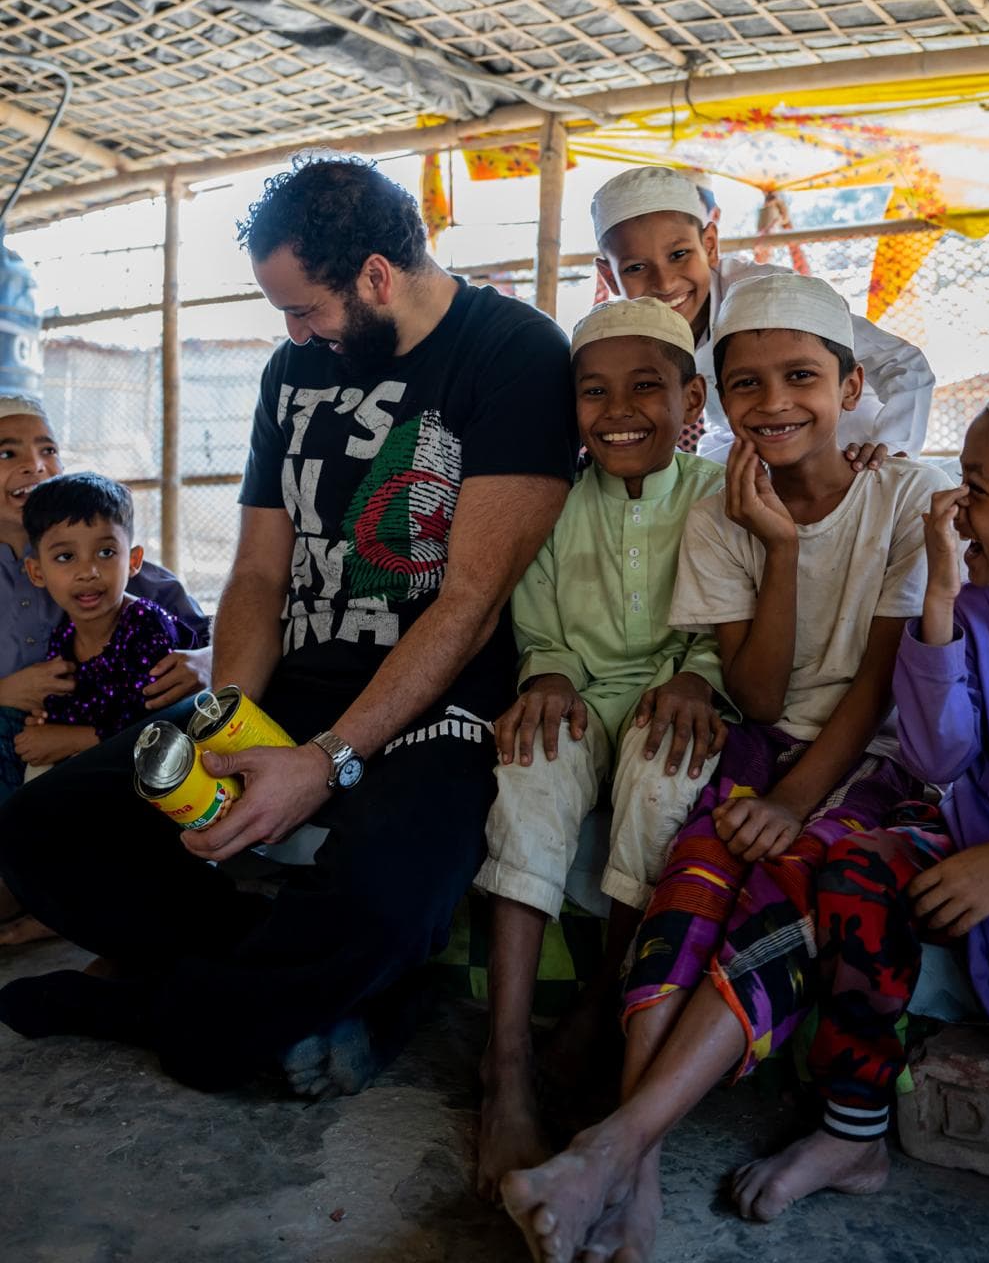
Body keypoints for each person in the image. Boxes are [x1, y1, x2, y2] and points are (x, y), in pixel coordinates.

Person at [0, 154, 576, 1098]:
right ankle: (291, 998)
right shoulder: (294, 368)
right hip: (294, 683)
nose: (294, 333)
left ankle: (157, 1010)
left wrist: (325, 762)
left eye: (305, 310)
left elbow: (470, 602)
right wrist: (229, 719)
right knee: (44, 827)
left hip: (439, 702)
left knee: (388, 898)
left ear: (377, 277)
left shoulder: (512, 351)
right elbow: (261, 572)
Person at [499, 271, 950, 1263]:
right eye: (749, 383)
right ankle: (638, 1162)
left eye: (801, 377)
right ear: (724, 400)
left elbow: (876, 685)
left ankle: (617, 1148)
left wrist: (791, 802)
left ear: (850, 385)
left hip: (870, 761)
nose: (774, 401)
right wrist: (779, 549)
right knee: (692, 877)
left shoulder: (904, 494)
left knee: (781, 883)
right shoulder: (724, 513)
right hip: (766, 738)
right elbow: (757, 696)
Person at [730, 367, 989, 1222]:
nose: (953, 506)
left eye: (977, 490)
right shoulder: (977, 602)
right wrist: (942, 601)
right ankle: (854, 1134)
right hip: (970, 820)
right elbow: (938, 754)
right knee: (856, 871)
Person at [476, 297, 730, 1199]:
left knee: (666, 775)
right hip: (579, 689)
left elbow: (727, 620)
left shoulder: (717, 495)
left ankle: (598, 1009)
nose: (619, 410)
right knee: (530, 767)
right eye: (594, 392)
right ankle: (507, 1061)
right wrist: (545, 675)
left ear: (691, 399)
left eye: (646, 387)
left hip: (675, 692)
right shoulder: (553, 500)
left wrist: (699, 675)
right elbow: (538, 624)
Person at [0, 396, 209, 947]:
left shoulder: (135, 599)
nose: (34, 465)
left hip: (119, 750)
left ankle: (62, 903)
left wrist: (208, 660)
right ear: (38, 571)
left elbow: (195, 650)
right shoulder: (71, 600)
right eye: (7, 452)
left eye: (48, 449)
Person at [591, 164, 935, 466]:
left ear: (709, 245)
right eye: (635, 267)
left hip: (848, 453)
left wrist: (891, 450)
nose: (665, 283)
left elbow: (905, 363)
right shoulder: (627, 334)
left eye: (679, 254)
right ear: (610, 277)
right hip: (754, 451)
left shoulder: (774, 296)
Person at [6, 472, 182, 769]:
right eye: (65, 557)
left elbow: (162, 725)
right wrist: (47, 722)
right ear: (37, 572)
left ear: (133, 561)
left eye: (106, 552)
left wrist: (70, 739)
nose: (88, 572)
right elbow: (68, 705)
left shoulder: (146, 626)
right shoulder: (64, 635)